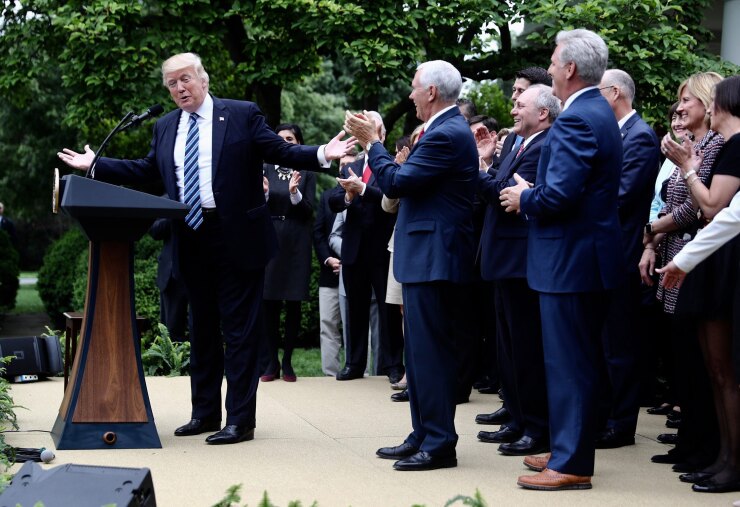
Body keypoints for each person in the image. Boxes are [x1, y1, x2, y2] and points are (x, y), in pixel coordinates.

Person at [57, 52, 355, 445]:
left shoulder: (241, 114)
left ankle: (240, 421)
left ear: (203, 79)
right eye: (171, 83)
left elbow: (278, 151)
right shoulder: (165, 127)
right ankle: (204, 413)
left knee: (239, 331)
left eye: (185, 79)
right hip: (191, 237)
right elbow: (148, 171)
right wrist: (98, 165)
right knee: (201, 332)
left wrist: (321, 154)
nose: (179, 88)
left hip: (237, 237)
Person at [500, 29, 623, 490]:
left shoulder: (575, 119)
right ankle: (569, 447)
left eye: (553, 62)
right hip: (581, 258)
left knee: (569, 362)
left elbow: (561, 195)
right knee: (574, 360)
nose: (549, 70)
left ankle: (571, 462)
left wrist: (525, 195)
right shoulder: (594, 111)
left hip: (571, 260)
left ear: (569, 69)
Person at [343, 59, 478, 471]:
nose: (410, 94)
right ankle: (423, 433)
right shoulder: (441, 130)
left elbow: (397, 182)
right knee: (419, 354)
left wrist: (373, 143)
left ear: (432, 92)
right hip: (426, 255)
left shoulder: (447, 133)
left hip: (436, 258)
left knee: (431, 353)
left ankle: (439, 443)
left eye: (414, 87)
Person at [657, 74, 740, 494]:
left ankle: (730, 460)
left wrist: (688, 168)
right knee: (713, 368)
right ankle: (721, 457)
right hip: (708, 259)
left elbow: (713, 209)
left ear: (721, 104)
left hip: (721, 262)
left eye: (706, 101)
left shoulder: (734, 146)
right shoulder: (727, 146)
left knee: (723, 370)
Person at [641, 71, 724, 473]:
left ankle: (702, 446)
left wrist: (653, 229)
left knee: (697, 359)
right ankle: (689, 442)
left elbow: (698, 206)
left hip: (697, 255)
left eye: (686, 100)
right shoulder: (691, 145)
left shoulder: (716, 145)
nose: (679, 108)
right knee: (681, 357)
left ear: (708, 103)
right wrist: (654, 239)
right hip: (675, 250)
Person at [475, 84, 559, 458]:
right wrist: (488, 171)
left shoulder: (544, 145)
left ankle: (536, 427)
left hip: (521, 261)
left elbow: (504, 194)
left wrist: (479, 169)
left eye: (519, 104)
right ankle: (518, 418)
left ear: (542, 113)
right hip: (502, 259)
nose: (512, 109)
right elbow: (496, 186)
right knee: (507, 347)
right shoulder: (515, 144)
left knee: (525, 347)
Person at [595, 69, 661, 448]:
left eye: (597, 91)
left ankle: (621, 424)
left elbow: (621, 196)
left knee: (618, 340)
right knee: (604, 339)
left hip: (623, 251)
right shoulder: (618, 134)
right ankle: (606, 415)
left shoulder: (639, 136)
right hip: (606, 250)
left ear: (615, 92)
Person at [329, 111, 404, 383]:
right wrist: (349, 195)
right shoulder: (355, 162)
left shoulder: (390, 164)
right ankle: (354, 363)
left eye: (372, 128)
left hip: (382, 249)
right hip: (354, 249)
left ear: (381, 134)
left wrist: (363, 190)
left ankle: (393, 364)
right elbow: (333, 200)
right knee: (355, 310)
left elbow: (391, 197)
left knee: (388, 311)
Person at [259, 123, 316, 383]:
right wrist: (266, 194)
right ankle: (271, 361)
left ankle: (289, 361)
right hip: (270, 236)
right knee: (269, 302)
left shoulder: (306, 170)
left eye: (290, 138)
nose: (285, 142)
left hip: (296, 239)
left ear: (298, 142)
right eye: (281, 138)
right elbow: (254, 208)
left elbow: (308, 211)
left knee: (293, 302)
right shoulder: (265, 169)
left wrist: (294, 193)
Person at [492, 67, 552, 168]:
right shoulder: (509, 138)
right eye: (514, 90)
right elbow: (500, 176)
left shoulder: (550, 141)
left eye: (521, 91)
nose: (514, 96)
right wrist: (487, 161)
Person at [149, 218, 189, 342]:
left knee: (203, 328)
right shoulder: (169, 199)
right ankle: (172, 361)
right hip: (172, 275)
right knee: (170, 332)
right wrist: (174, 215)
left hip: (203, 268)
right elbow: (155, 231)